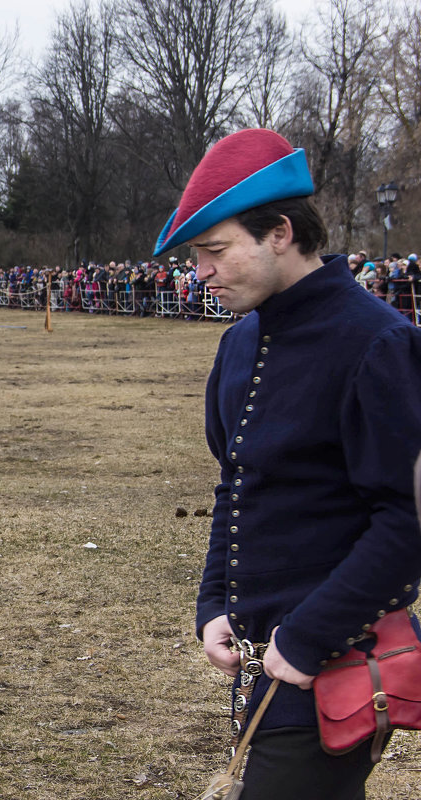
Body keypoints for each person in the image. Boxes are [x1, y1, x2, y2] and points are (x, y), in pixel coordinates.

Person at [153, 128, 421, 800]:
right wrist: (215, 603)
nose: (201, 272)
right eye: (196, 257)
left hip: (336, 654)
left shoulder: (379, 342)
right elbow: (237, 486)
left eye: (215, 252)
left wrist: (306, 639)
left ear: (279, 231)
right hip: (261, 658)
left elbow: (407, 521)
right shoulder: (239, 345)